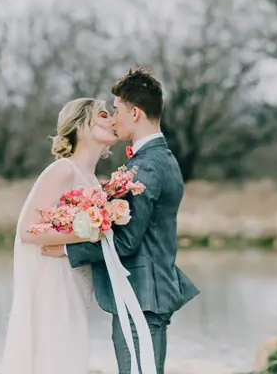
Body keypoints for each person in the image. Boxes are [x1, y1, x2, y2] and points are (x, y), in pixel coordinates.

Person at [42, 67, 199, 374]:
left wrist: (66, 250)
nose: (113, 119)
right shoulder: (156, 159)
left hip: (142, 297)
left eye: (116, 110)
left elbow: (126, 241)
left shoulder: (147, 167)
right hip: (143, 295)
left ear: (135, 113)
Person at [0, 97, 120, 374]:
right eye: (103, 114)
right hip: (54, 279)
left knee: (70, 353)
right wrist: (94, 231)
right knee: (56, 353)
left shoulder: (93, 179)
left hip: (77, 276)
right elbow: (28, 230)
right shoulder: (63, 170)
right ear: (79, 125)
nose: (112, 120)